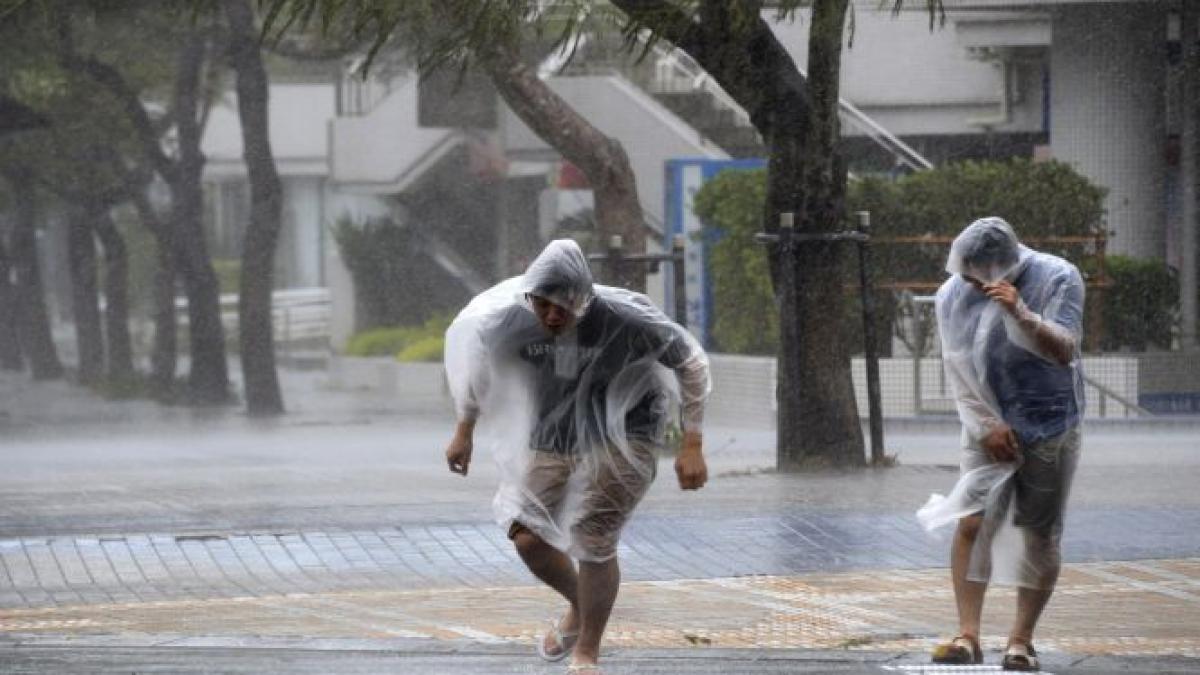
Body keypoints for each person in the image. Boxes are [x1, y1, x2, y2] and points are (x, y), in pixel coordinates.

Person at [442, 239, 710, 672]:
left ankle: (587, 649)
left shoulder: (626, 319)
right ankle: (581, 604)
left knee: (592, 537)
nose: (551, 315)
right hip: (554, 435)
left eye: (562, 306)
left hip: (625, 436)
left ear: (585, 297)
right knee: (526, 533)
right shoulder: (511, 318)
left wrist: (692, 443)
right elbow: (474, 361)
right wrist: (463, 430)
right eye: (541, 303)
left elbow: (691, 363)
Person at [925, 217, 1085, 671]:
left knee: (1039, 531)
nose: (969, 284)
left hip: (1052, 422)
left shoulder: (1058, 277)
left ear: (1003, 267)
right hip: (986, 422)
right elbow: (955, 363)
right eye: (964, 273)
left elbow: (1064, 350)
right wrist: (984, 425)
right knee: (972, 521)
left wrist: (1021, 313)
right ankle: (967, 634)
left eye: (978, 275)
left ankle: (1021, 640)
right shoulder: (953, 292)